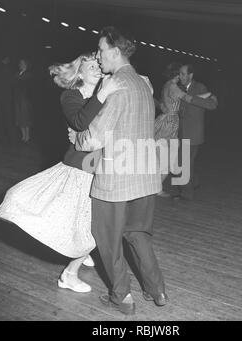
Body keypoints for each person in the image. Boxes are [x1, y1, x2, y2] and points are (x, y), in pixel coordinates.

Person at [0, 52, 123, 293]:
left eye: (98, 64)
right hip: (80, 168)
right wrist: (104, 96)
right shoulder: (71, 95)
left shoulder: (106, 93)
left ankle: (81, 253)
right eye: (90, 65)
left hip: (103, 165)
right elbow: (81, 122)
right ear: (79, 73)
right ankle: (69, 274)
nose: (97, 68)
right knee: (91, 225)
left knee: (90, 221)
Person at [69, 26, 166, 315]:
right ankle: (157, 290)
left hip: (116, 177)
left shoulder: (116, 85)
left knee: (107, 237)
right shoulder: (142, 83)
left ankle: (122, 296)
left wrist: (78, 139)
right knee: (138, 234)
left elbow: (96, 137)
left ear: (115, 52)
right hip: (145, 176)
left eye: (100, 51)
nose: (98, 57)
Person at [174, 64, 218, 200]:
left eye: (182, 73)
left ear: (190, 75)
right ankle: (194, 182)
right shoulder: (179, 88)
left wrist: (190, 98)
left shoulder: (200, 87)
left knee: (182, 164)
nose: (180, 76)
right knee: (186, 162)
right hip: (182, 133)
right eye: (179, 73)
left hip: (192, 134)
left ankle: (186, 194)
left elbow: (211, 105)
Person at [0, 55, 16, 144]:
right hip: (6, 97)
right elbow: (12, 83)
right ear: (6, 60)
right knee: (8, 118)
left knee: (0, 118)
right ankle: (11, 139)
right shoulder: (8, 70)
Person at [14, 59, 34, 143]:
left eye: (22, 63)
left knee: (26, 117)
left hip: (25, 99)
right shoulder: (17, 74)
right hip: (18, 98)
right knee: (20, 117)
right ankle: (23, 136)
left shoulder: (28, 75)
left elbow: (30, 88)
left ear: (26, 64)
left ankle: (27, 136)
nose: (20, 65)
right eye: (20, 63)